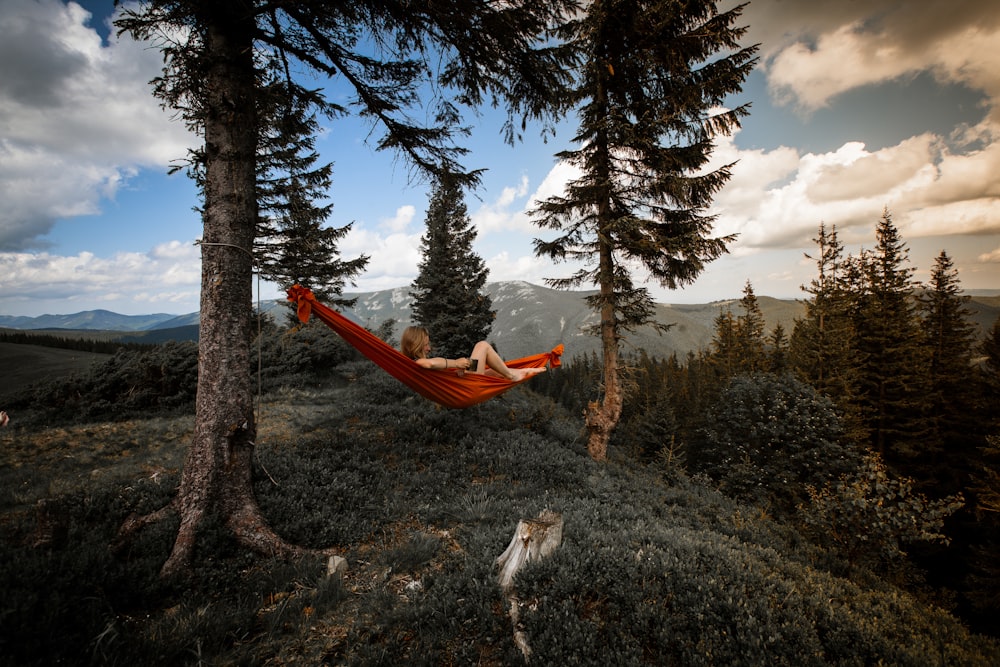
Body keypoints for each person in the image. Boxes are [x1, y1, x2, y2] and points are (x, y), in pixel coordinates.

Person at [399, 326, 546, 382]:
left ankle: (524, 371)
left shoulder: (415, 364)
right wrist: (456, 363)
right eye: (426, 345)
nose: (429, 348)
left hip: (462, 383)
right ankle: (513, 376)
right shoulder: (418, 363)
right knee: (482, 346)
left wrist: (456, 372)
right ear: (416, 345)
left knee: (493, 372)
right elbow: (429, 363)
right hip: (466, 389)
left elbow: (437, 372)